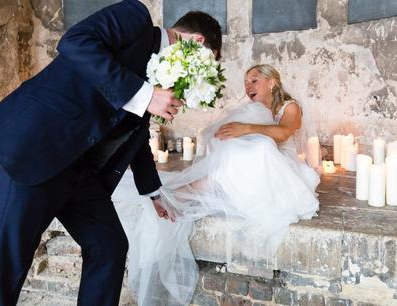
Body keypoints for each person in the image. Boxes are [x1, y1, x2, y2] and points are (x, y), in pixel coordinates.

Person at [0, 0, 222, 305]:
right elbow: (74, 42)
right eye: (208, 63)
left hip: (77, 170)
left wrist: (152, 191)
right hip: (32, 148)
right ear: (197, 43)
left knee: (108, 245)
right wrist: (146, 95)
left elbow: (134, 131)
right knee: (1, 269)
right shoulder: (135, 17)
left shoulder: (160, 75)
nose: (196, 78)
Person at [113, 64, 320, 306]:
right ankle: (188, 192)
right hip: (256, 168)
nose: (248, 86)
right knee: (240, 148)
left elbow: (284, 133)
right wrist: (233, 133)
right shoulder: (254, 111)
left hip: (281, 168)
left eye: (254, 80)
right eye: (246, 82)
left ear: (272, 82)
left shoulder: (289, 106)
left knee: (259, 148)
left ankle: (185, 193)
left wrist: (245, 129)